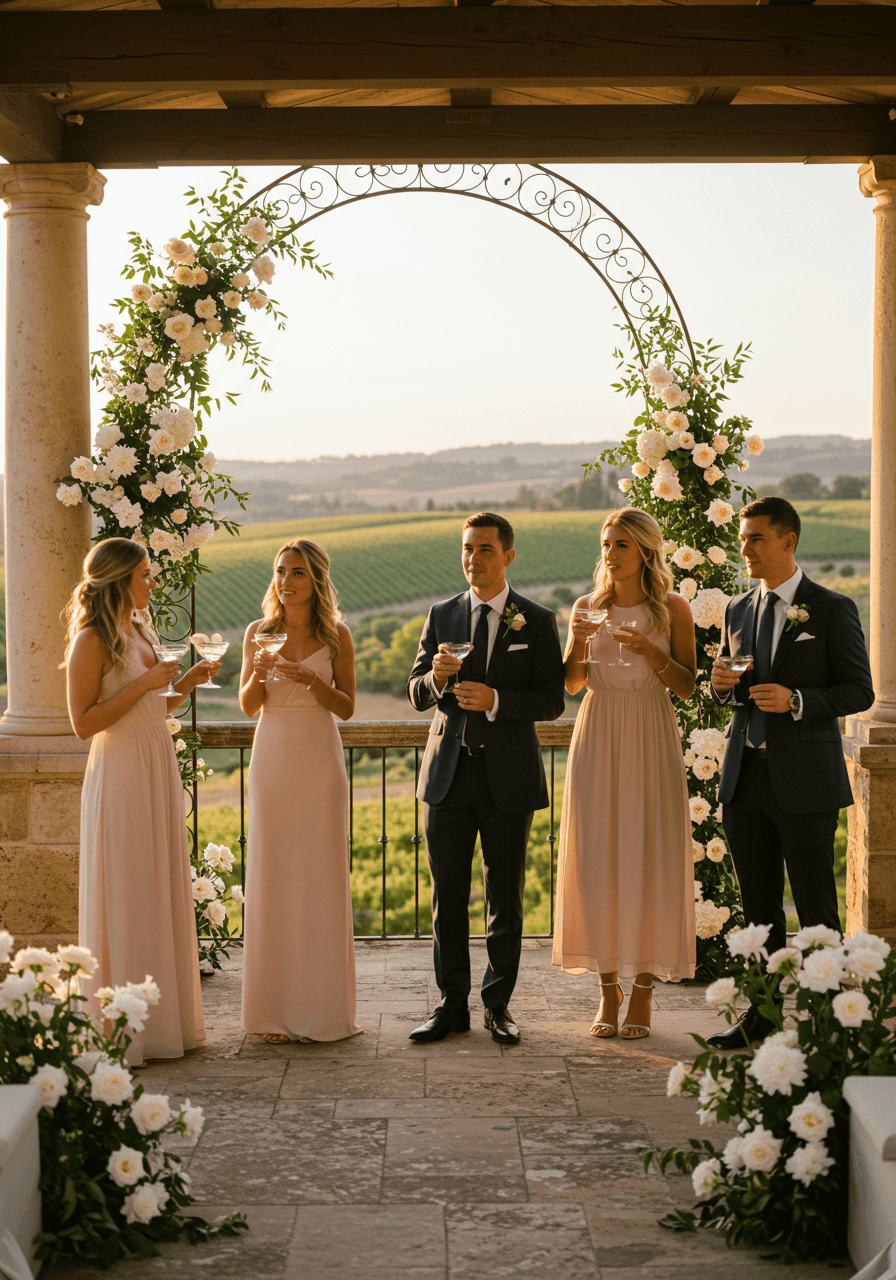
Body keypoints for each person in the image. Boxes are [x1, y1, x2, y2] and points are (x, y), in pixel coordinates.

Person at [707, 495, 873, 1049]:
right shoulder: (737, 610)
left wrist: (797, 700)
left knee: (816, 906)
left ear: (788, 541)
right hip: (744, 780)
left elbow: (859, 690)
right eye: (742, 539)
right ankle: (761, 1014)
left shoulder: (831, 609)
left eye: (756, 538)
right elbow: (735, 690)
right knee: (757, 909)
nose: (745, 549)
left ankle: (828, 1019)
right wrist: (721, 687)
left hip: (805, 783)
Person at [406, 512, 566, 1045]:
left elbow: (551, 699)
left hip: (508, 778)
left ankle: (498, 1006)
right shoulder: (441, 614)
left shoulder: (536, 620)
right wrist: (436, 679)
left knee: (505, 899)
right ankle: (451, 1006)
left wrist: (497, 700)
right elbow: (415, 693)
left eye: (485, 549)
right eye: (467, 549)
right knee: (447, 897)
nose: (473, 558)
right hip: (447, 777)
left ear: (508, 556)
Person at [66, 538, 217, 1066]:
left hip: (156, 759)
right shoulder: (91, 639)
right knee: (129, 887)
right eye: (146, 575)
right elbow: (84, 723)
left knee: (157, 885)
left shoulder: (141, 629)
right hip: (122, 768)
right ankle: (123, 1029)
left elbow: (153, 705)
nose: (153, 583)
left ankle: (164, 1023)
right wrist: (151, 681)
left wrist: (187, 682)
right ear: (119, 579)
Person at [552, 507, 697, 1038]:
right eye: (605, 544)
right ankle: (607, 990)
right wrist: (576, 640)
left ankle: (643, 992)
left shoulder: (672, 609)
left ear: (645, 551)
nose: (609, 554)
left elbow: (687, 686)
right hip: (598, 731)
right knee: (598, 858)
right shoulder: (586, 607)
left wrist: (652, 653)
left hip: (649, 731)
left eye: (620, 545)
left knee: (649, 856)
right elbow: (571, 683)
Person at [239, 538, 360, 1045]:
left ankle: (320, 1011)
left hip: (319, 758)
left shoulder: (337, 635)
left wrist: (312, 683)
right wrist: (259, 672)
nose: (285, 582)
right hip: (272, 756)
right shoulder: (258, 632)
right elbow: (249, 705)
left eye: (297, 573)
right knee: (273, 874)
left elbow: (347, 707)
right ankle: (272, 1011)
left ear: (316, 580)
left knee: (318, 875)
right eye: (280, 572)